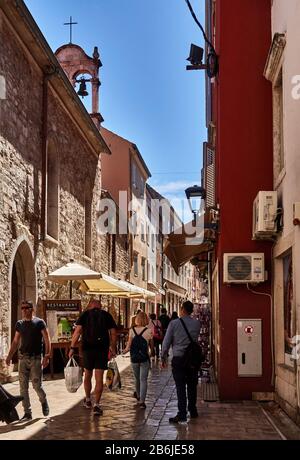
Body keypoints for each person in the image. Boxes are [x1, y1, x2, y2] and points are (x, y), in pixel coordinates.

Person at [69, 299, 117, 416]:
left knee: (88, 374)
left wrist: (72, 347)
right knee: (99, 377)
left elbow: (77, 332)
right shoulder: (106, 315)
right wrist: (113, 347)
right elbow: (113, 333)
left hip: (87, 349)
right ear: (99, 306)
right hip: (101, 349)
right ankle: (97, 404)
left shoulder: (85, 315)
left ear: (90, 306)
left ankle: (88, 399)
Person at [6, 300, 51, 421]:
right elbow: (16, 341)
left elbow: (47, 339)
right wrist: (9, 356)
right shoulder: (19, 324)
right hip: (22, 358)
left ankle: (43, 400)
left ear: (32, 309)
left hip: (36, 358)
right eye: (22, 308)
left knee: (37, 386)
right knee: (23, 387)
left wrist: (47, 356)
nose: (24, 310)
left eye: (26, 308)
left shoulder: (39, 322)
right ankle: (27, 412)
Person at [161, 300, 201, 424]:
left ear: (182, 309)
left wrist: (163, 356)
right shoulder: (197, 324)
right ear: (191, 310)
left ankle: (182, 413)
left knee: (180, 387)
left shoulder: (174, 324)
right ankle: (193, 410)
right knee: (192, 385)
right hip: (192, 359)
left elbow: (166, 341)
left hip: (179, 359)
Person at [122, 311, 154, 409]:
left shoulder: (132, 331)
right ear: (146, 320)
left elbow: (129, 345)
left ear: (137, 319)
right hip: (144, 358)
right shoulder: (148, 331)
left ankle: (139, 396)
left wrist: (125, 351)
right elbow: (151, 346)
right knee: (143, 379)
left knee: (137, 379)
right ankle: (142, 401)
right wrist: (151, 353)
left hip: (134, 358)